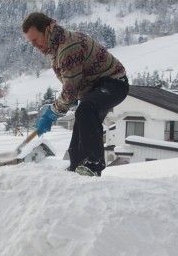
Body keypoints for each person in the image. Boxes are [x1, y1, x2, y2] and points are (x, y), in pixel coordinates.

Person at [22, 11, 129, 177]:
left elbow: (70, 91)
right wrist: (62, 106)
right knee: (82, 119)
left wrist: (53, 112)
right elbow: (73, 88)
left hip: (114, 83)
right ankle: (76, 169)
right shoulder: (57, 48)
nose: (35, 45)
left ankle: (94, 164)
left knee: (85, 111)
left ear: (48, 29)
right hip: (95, 88)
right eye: (31, 43)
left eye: (35, 40)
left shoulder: (67, 47)